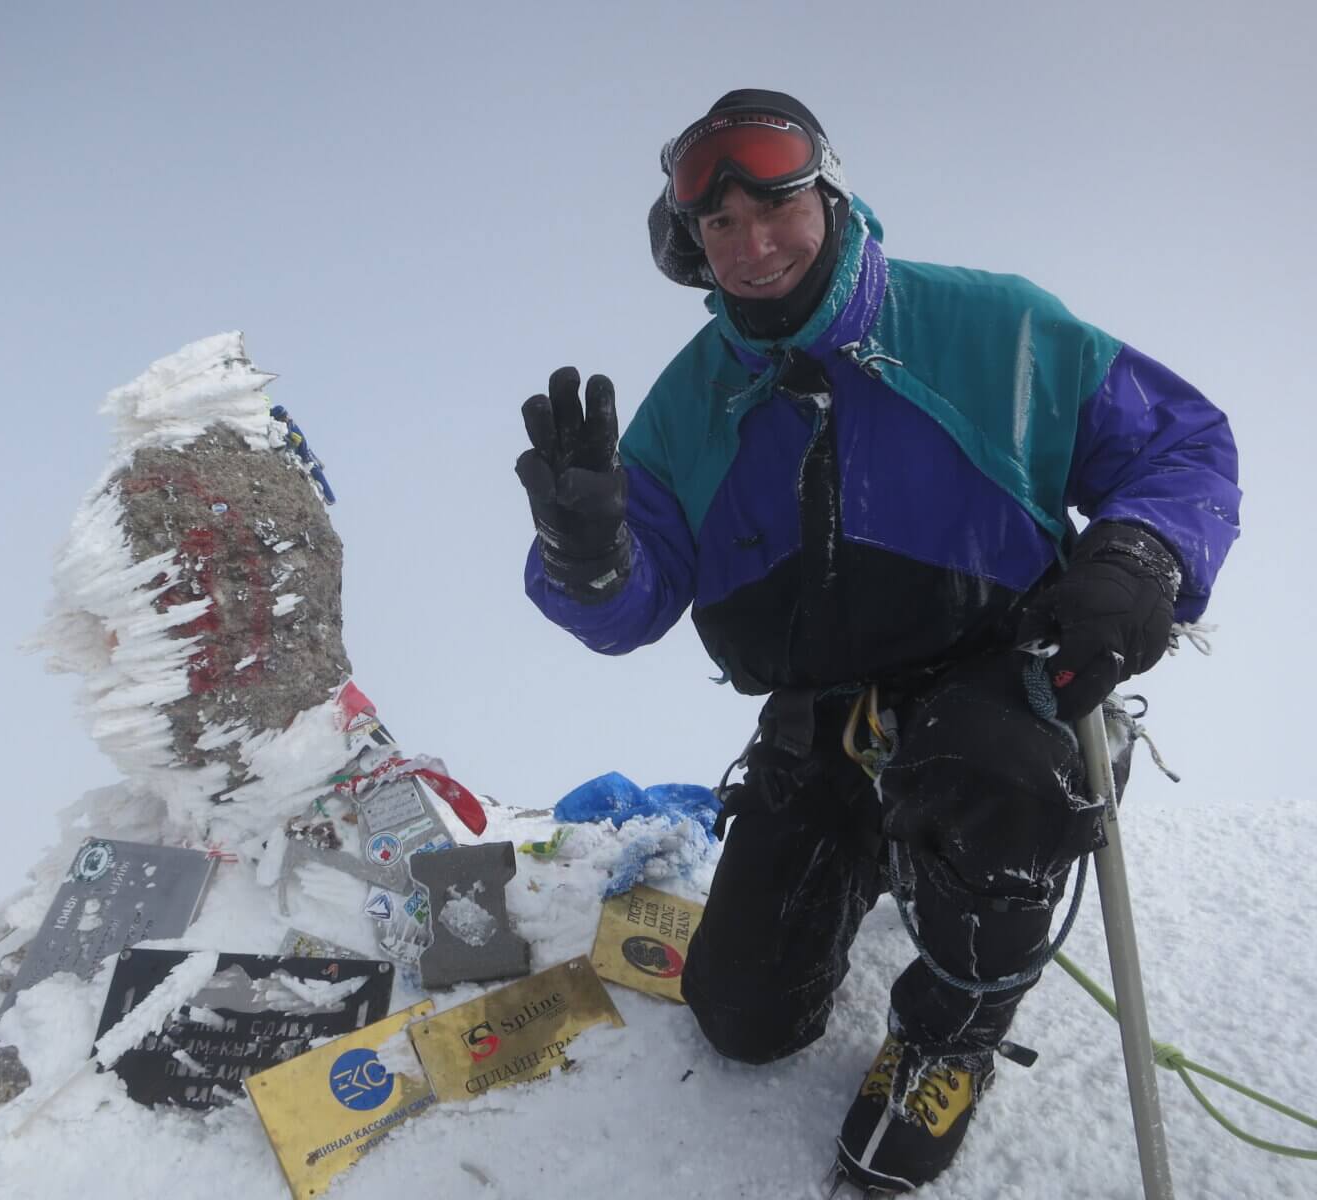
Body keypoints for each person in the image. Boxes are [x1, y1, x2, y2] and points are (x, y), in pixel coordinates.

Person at [515, 89, 1239, 1194]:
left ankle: (950, 1033)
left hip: (998, 687)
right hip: (820, 725)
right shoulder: (682, 412)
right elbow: (630, 608)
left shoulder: (991, 327)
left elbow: (1179, 445)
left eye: (779, 203)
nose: (753, 243)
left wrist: (1141, 559)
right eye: (719, 223)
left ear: (830, 193)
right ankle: (880, 851)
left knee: (999, 786)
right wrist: (584, 552)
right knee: (743, 1020)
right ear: (689, 243)